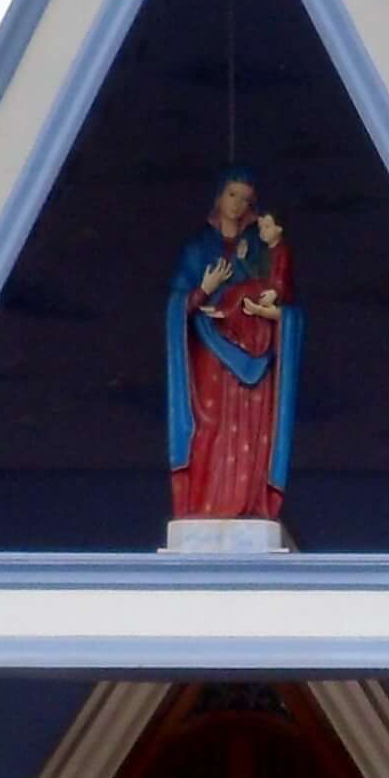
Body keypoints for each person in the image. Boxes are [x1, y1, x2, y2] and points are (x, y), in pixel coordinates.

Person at [165, 171, 296, 523]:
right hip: (210, 354)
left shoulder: (258, 250)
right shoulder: (197, 250)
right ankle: (206, 503)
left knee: (252, 433)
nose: (237, 205)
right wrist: (204, 288)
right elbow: (177, 306)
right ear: (219, 197)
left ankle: (248, 503)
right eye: (232, 195)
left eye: (246, 199)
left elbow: (281, 296)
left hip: (254, 356)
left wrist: (275, 312)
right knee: (210, 429)